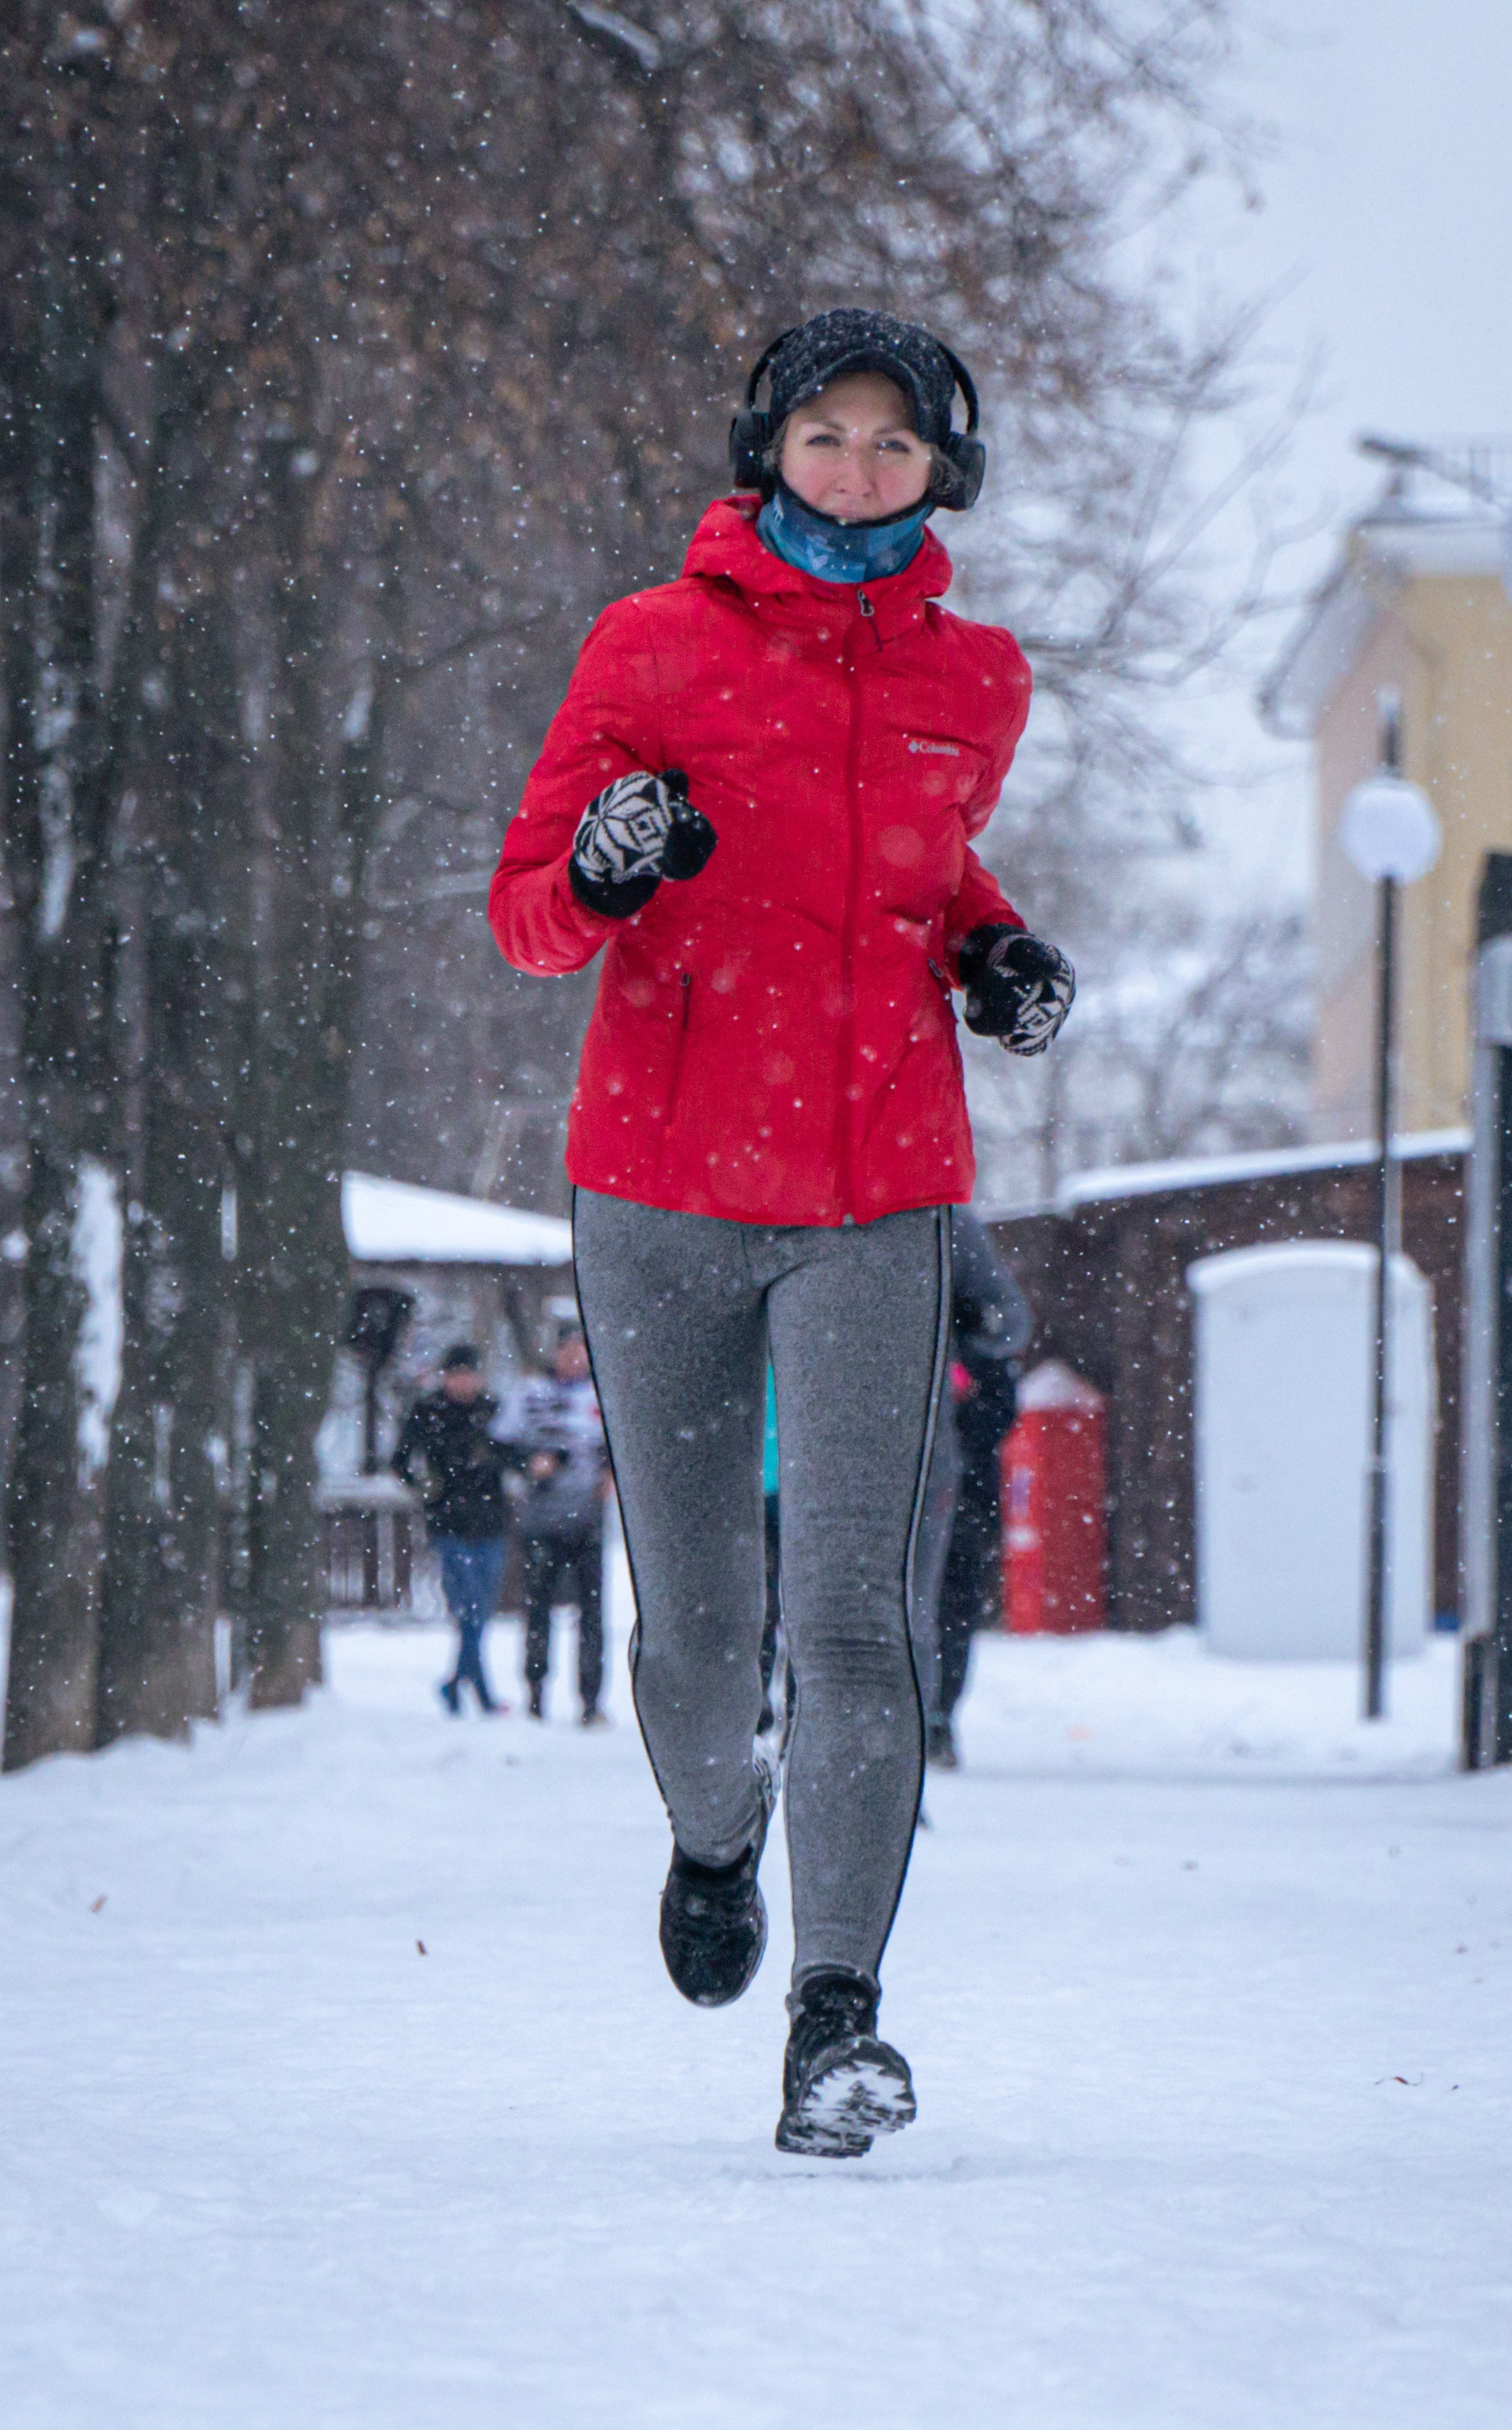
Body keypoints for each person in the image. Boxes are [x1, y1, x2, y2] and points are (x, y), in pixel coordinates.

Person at [489, 308, 1074, 2157]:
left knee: (855, 1611)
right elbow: (527, 911)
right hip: (658, 1182)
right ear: (769, 447)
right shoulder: (648, 644)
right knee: (700, 1622)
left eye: (893, 444)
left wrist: (991, 948)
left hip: (876, 1189)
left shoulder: (976, 680)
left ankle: (839, 2017)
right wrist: (606, 862)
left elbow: (916, 867)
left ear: (940, 470)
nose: (856, 468)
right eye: (825, 435)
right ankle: (713, 1830)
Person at [920, 1212, 1031, 1770]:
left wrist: (971, 1355)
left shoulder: (952, 1228)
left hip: (960, 1465)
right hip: (912, 1456)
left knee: (953, 1594)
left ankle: (935, 1716)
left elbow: (1009, 1321)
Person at [390, 1343, 521, 1715]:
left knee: (481, 1609)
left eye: (469, 1374)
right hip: (449, 1524)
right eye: (456, 1374)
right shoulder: (427, 1412)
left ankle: (458, 1683)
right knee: (468, 1609)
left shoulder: (493, 1411)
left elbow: (514, 1456)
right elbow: (399, 1461)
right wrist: (424, 1487)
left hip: (491, 1522)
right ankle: (479, 1691)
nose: (463, 1381)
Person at [492, 1322, 611, 1726]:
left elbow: (625, 1452)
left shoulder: (604, 1395)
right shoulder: (529, 1394)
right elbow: (498, 1448)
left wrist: (613, 1477)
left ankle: (591, 1700)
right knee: (538, 1610)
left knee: (592, 1614)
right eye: (568, 1350)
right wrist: (530, 1465)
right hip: (540, 1521)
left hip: (589, 1522)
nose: (575, 1358)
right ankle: (536, 1694)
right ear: (556, 1352)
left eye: (581, 1350)